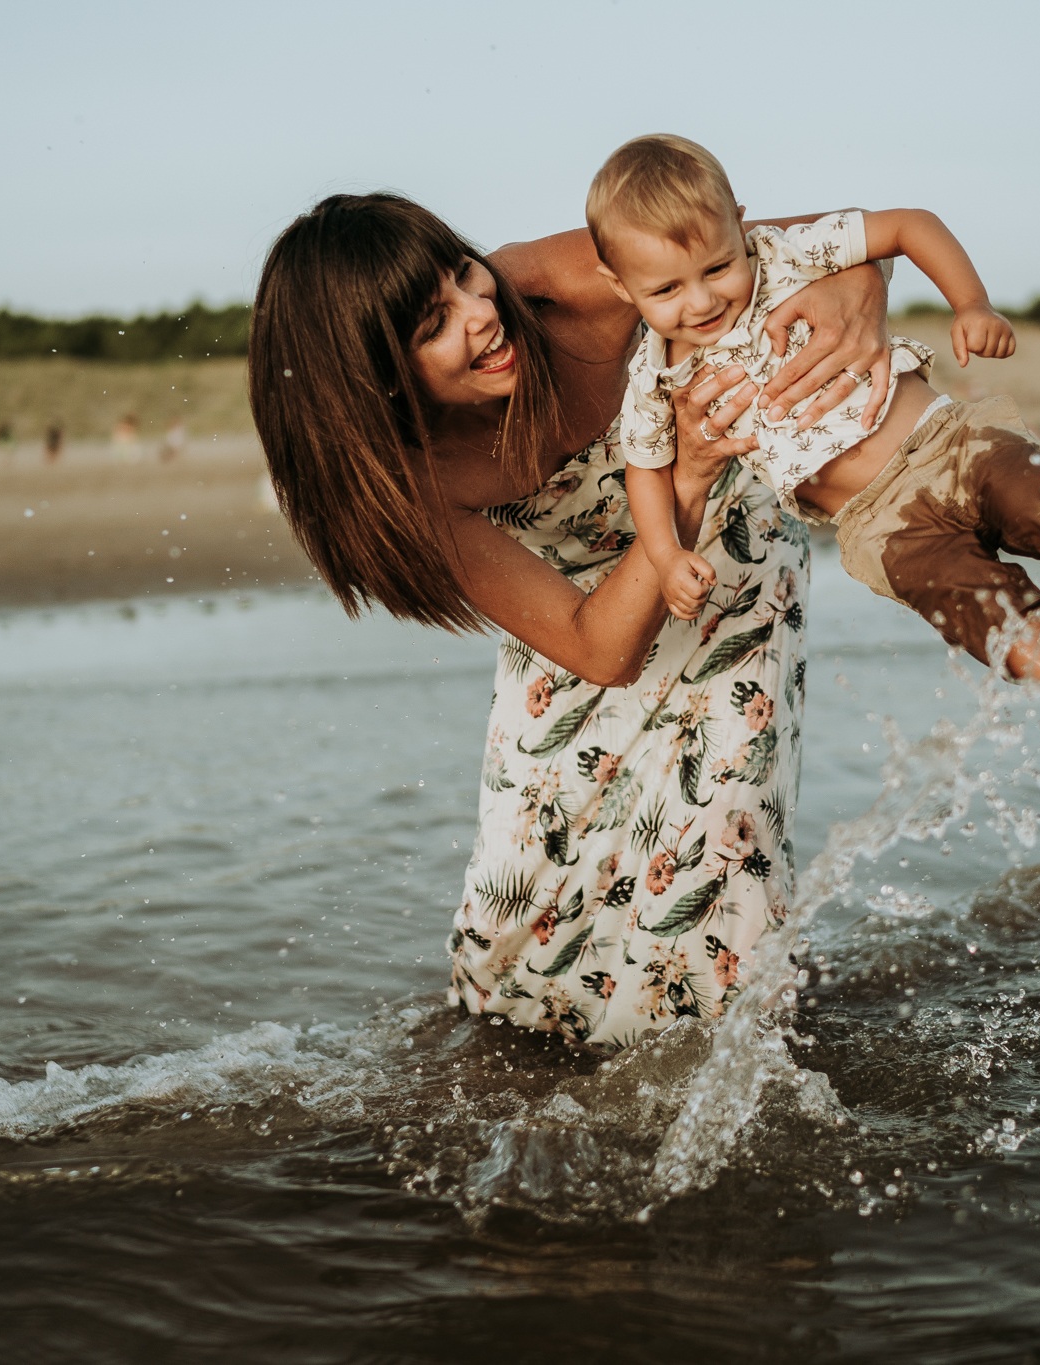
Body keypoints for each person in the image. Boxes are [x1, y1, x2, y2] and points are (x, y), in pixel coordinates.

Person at [247, 192, 892, 1047]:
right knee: (522, 909)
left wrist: (864, 293)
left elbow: (833, 239)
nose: (484, 315)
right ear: (376, 375)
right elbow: (598, 648)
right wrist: (683, 474)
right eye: (435, 322)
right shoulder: (415, 477)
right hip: (579, 629)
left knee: (718, 852)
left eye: (465, 274)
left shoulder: (554, 283)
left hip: (723, 581)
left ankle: (739, 1056)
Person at [589, 135, 1040, 787]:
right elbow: (645, 468)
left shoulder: (787, 252)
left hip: (951, 444)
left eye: (716, 268)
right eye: (666, 291)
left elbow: (909, 225)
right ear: (621, 288)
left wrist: (970, 302)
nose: (702, 300)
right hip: (875, 521)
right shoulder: (656, 378)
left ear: (741, 227)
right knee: (988, 615)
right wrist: (667, 552)